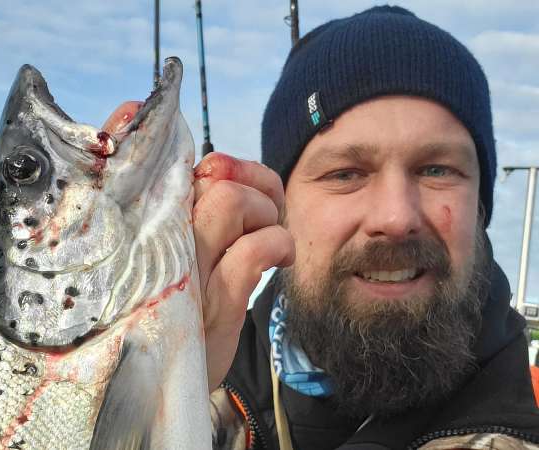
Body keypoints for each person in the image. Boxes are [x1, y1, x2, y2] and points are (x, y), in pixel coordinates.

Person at [192, 6, 539, 450]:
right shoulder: (192, 388)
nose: (396, 218)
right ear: (279, 210)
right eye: (345, 173)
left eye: (437, 169)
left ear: (480, 210)